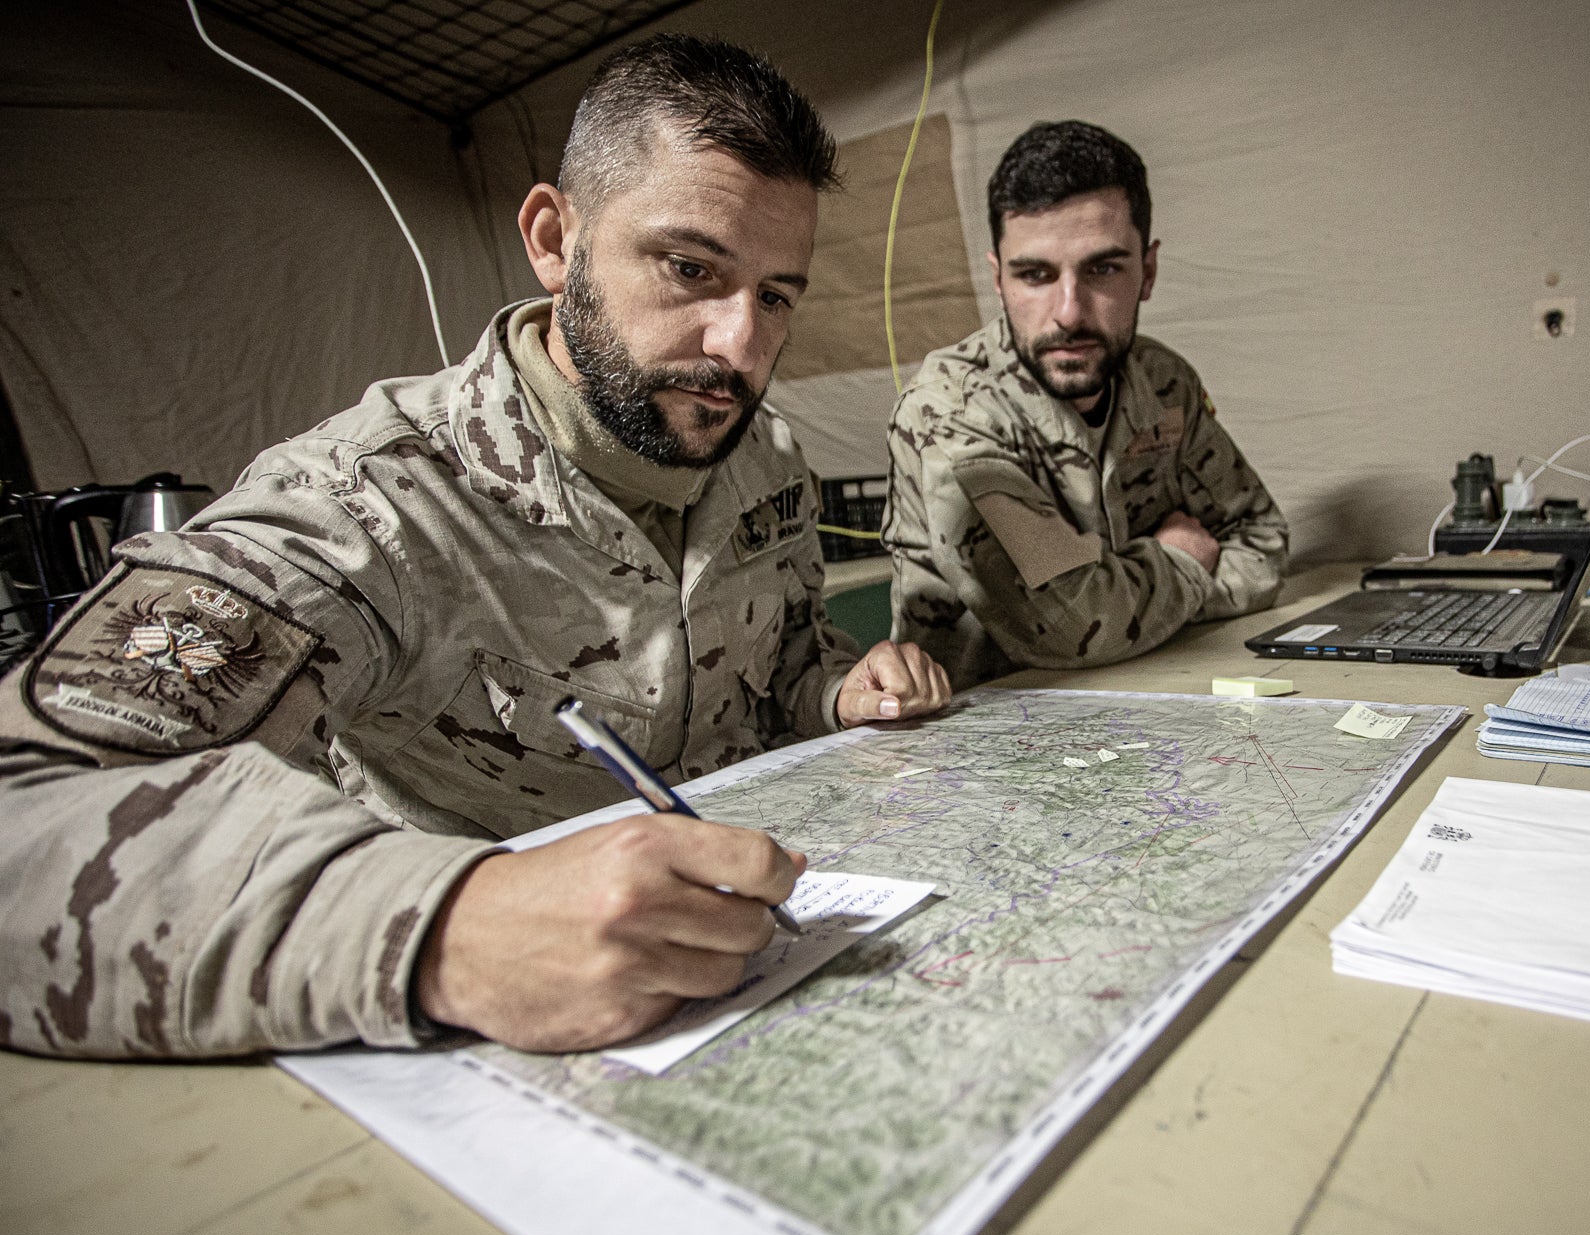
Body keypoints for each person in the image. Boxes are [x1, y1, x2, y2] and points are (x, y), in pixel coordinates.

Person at [0, 35, 950, 1061]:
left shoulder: (764, 456)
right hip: (502, 1055)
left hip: (761, 983)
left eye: (774, 296)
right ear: (555, 238)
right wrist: (447, 928)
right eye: (688, 269)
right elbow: (26, 812)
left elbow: (787, 663)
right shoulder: (367, 503)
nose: (740, 346)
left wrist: (838, 690)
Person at [883, 120, 1289, 690]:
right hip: (987, 733)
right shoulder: (952, 410)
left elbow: (1262, 539)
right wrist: (1185, 562)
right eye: (1035, 275)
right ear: (998, 280)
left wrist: (1136, 606)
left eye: (1102, 269)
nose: (1069, 312)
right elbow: (1070, 625)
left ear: (1146, 272)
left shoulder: (1162, 381)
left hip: (1160, 690)